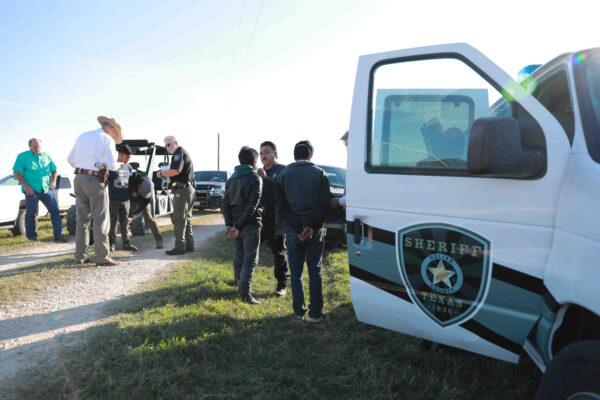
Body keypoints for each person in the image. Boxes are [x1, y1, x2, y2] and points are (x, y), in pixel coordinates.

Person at [276, 140, 333, 323]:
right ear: (310, 155)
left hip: (293, 231)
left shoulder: (283, 175)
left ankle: (299, 312)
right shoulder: (319, 173)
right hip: (315, 231)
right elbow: (325, 204)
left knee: (296, 272)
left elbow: (282, 208)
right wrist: (311, 226)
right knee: (315, 270)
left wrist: (300, 228)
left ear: (295, 155)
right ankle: (316, 313)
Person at [67, 116, 124, 266]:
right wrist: (119, 164)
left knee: (82, 220)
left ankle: (80, 256)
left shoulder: (83, 136)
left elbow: (70, 159)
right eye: (115, 133)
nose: (114, 136)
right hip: (94, 180)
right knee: (100, 219)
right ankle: (102, 256)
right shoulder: (107, 139)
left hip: (78, 178)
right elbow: (111, 165)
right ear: (111, 129)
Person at [222, 146, 263, 304]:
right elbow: (253, 205)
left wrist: (230, 225)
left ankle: (239, 283)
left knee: (239, 255)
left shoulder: (232, 179)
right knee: (250, 258)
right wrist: (237, 226)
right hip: (250, 224)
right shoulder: (255, 177)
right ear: (254, 161)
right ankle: (245, 293)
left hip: (236, 225)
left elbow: (225, 204)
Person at [12, 138, 67, 242]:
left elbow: (54, 170)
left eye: (39, 146)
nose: (37, 148)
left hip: (46, 189)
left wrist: (53, 182)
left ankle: (58, 235)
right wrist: (27, 187)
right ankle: (32, 238)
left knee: (55, 210)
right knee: (31, 214)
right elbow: (16, 173)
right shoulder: (22, 156)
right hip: (31, 190)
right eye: (35, 147)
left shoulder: (46, 156)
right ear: (30, 146)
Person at [257, 141, 288, 296]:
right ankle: (241, 279)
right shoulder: (258, 172)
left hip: (277, 218)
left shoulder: (283, 170)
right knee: (249, 247)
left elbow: (284, 190)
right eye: (261, 152)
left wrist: (266, 178)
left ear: (275, 154)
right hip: (259, 217)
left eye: (267, 152)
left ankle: (282, 285)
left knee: (278, 252)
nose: (263, 155)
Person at [157, 136, 195, 255]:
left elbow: (175, 171)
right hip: (187, 189)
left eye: (169, 144)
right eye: (165, 145)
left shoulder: (179, 154)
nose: (167, 147)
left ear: (176, 143)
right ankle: (189, 245)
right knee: (186, 217)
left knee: (179, 218)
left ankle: (180, 246)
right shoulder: (181, 153)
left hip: (182, 190)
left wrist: (161, 173)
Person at [107, 144, 137, 252]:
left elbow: (132, 183)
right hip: (114, 200)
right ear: (120, 154)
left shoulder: (129, 167)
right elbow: (104, 182)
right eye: (127, 156)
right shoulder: (112, 166)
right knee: (113, 223)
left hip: (126, 200)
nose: (129, 159)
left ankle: (126, 244)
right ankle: (112, 244)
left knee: (125, 223)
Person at [129, 172, 164, 249]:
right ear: (140, 186)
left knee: (149, 217)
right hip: (129, 196)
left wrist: (132, 215)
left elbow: (143, 203)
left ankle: (159, 240)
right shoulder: (132, 179)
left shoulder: (148, 185)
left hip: (143, 197)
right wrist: (130, 215)